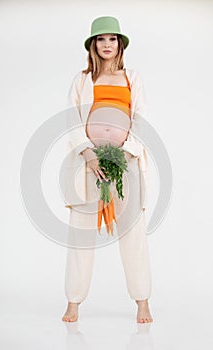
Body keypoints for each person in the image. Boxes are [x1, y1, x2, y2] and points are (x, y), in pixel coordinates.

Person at [62, 16, 153, 323]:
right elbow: (71, 119)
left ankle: (142, 301)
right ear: (92, 45)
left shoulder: (132, 77)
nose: (106, 45)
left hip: (125, 163)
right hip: (90, 166)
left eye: (112, 39)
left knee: (133, 233)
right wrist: (89, 155)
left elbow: (140, 119)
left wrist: (124, 154)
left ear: (120, 44)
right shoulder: (82, 79)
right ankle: (74, 301)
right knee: (81, 234)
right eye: (100, 40)